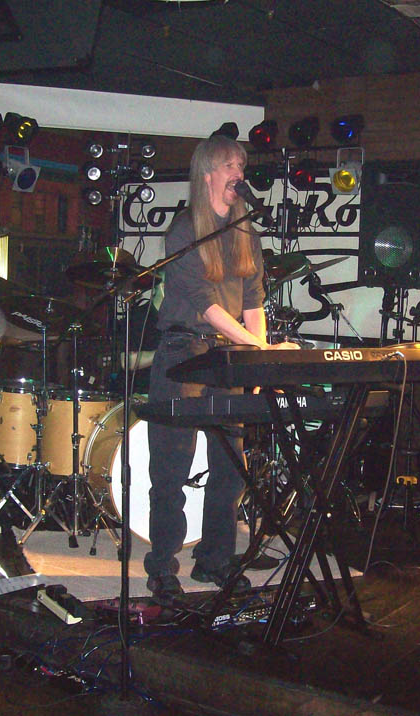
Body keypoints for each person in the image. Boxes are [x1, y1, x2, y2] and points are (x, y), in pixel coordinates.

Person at [144, 134, 298, 604]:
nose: (240, 174)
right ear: (209, 172)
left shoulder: (245, 230)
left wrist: (258, 355)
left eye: (242, 166)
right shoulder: (185, 229)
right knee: (171, 465)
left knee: (231, 466)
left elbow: (253, 299)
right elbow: (206, 305)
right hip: (183, 353)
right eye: (231, 165)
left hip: (229, 355)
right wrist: (257, 348)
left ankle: (214, 559)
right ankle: (161, 567)